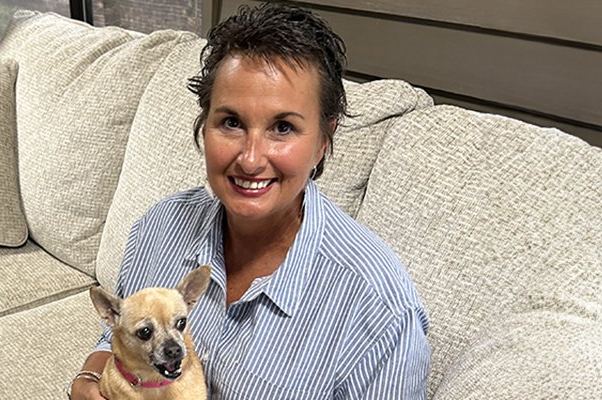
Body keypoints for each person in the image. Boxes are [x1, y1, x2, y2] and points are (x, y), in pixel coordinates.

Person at [69, 4, 430, 399]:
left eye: (282, 127)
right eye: (231, 122)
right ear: (204, 126)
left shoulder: (380, 311)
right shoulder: (158, 228)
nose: (252, 158)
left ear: (323, 141)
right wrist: (88, 379)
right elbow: (121, 334)